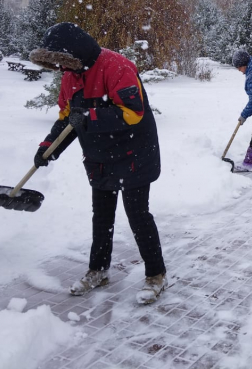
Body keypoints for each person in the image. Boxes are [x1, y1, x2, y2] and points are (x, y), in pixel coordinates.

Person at [28, 22, 167, 305]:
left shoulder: (117, 67)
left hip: (133, 155)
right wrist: (48, 148)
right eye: (57, 64)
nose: (62, 69)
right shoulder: (70, 77)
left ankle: (156, 274)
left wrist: (89, 117)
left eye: (64, 62)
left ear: (76, 54)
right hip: (99, 158)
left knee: (138, 216)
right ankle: (98, 270)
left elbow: (133, 113)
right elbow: (68, 120)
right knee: (102, 217)